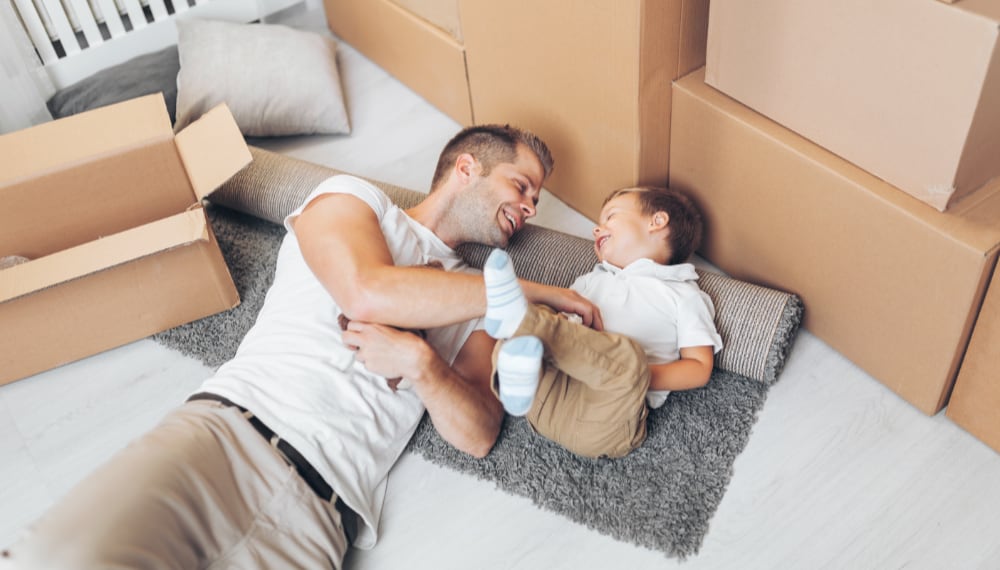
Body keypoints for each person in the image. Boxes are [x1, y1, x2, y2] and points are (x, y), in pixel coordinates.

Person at [1, 124, 601, 569]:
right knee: (61, 557)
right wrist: (526, 292)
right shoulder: (354, 202)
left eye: (536, 203)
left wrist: (423, 366)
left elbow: (479, 432)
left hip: (319, 519)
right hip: (225, 442)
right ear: (466, 168)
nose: (527, 208)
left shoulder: (476, 308)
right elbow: (365, 293)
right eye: (522, 187)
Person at [481, 186, 724, 459]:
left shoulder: (683, 293)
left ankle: (518, 323)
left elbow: (700, 368)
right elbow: (561, 329)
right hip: (544, 398)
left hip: (605, 415)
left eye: (610, 217)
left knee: (627, 357)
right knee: (545, 315)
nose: (597, 230)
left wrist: (640, 377)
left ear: (657, 222)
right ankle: (518, 368)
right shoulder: (590, 281)